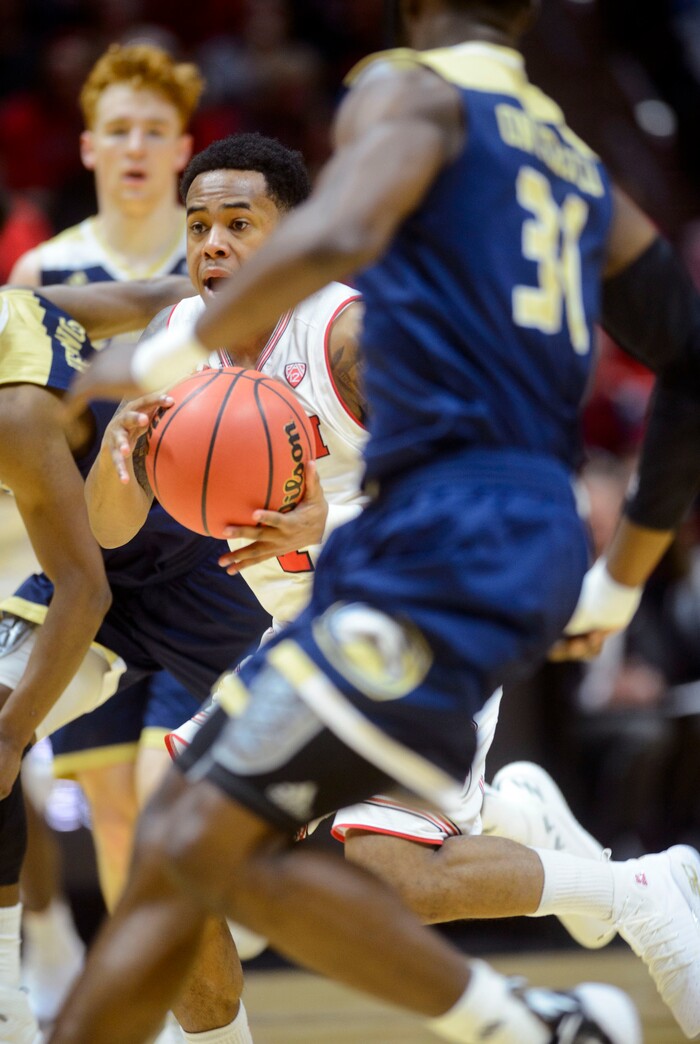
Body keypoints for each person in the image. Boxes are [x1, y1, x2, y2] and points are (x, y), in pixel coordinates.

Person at [53, 0, 700, 1041]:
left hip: (421, 573)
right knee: (174, 845)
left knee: (380, 873)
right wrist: (615, 580)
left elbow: (353, 249)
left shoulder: (358, 286)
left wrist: (311, 521)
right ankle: (534, 874)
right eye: (201, 228)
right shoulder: (566, 159)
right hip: (342, 612)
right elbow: (115, 525)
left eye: (241, 226)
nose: (214, 247)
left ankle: (590, 946)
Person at [6, 41, 204, 1030]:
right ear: (86, 146)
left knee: (175, 796)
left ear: (183, 147)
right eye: (117, 129)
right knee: (111, 803)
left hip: (213, 560)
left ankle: (178, 970)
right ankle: (149, 996)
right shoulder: (46, 269)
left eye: (153, 130)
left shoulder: (219, 250)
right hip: (89, 559)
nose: (134, 146)